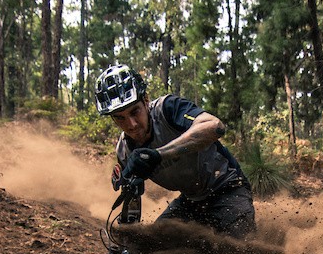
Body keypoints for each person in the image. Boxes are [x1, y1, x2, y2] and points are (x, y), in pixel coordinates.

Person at [94, 64, 255, 238]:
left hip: (228, 188)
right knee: (149, 248)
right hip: (190, 201)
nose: (131, 124)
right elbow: (131, 201)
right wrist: (126, 240)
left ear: (146, 100)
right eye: (120, 118)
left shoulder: (168, 109)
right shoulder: (125, 151)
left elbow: (215, 126)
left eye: (135, 111)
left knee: (240, 252)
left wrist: (159, 155)